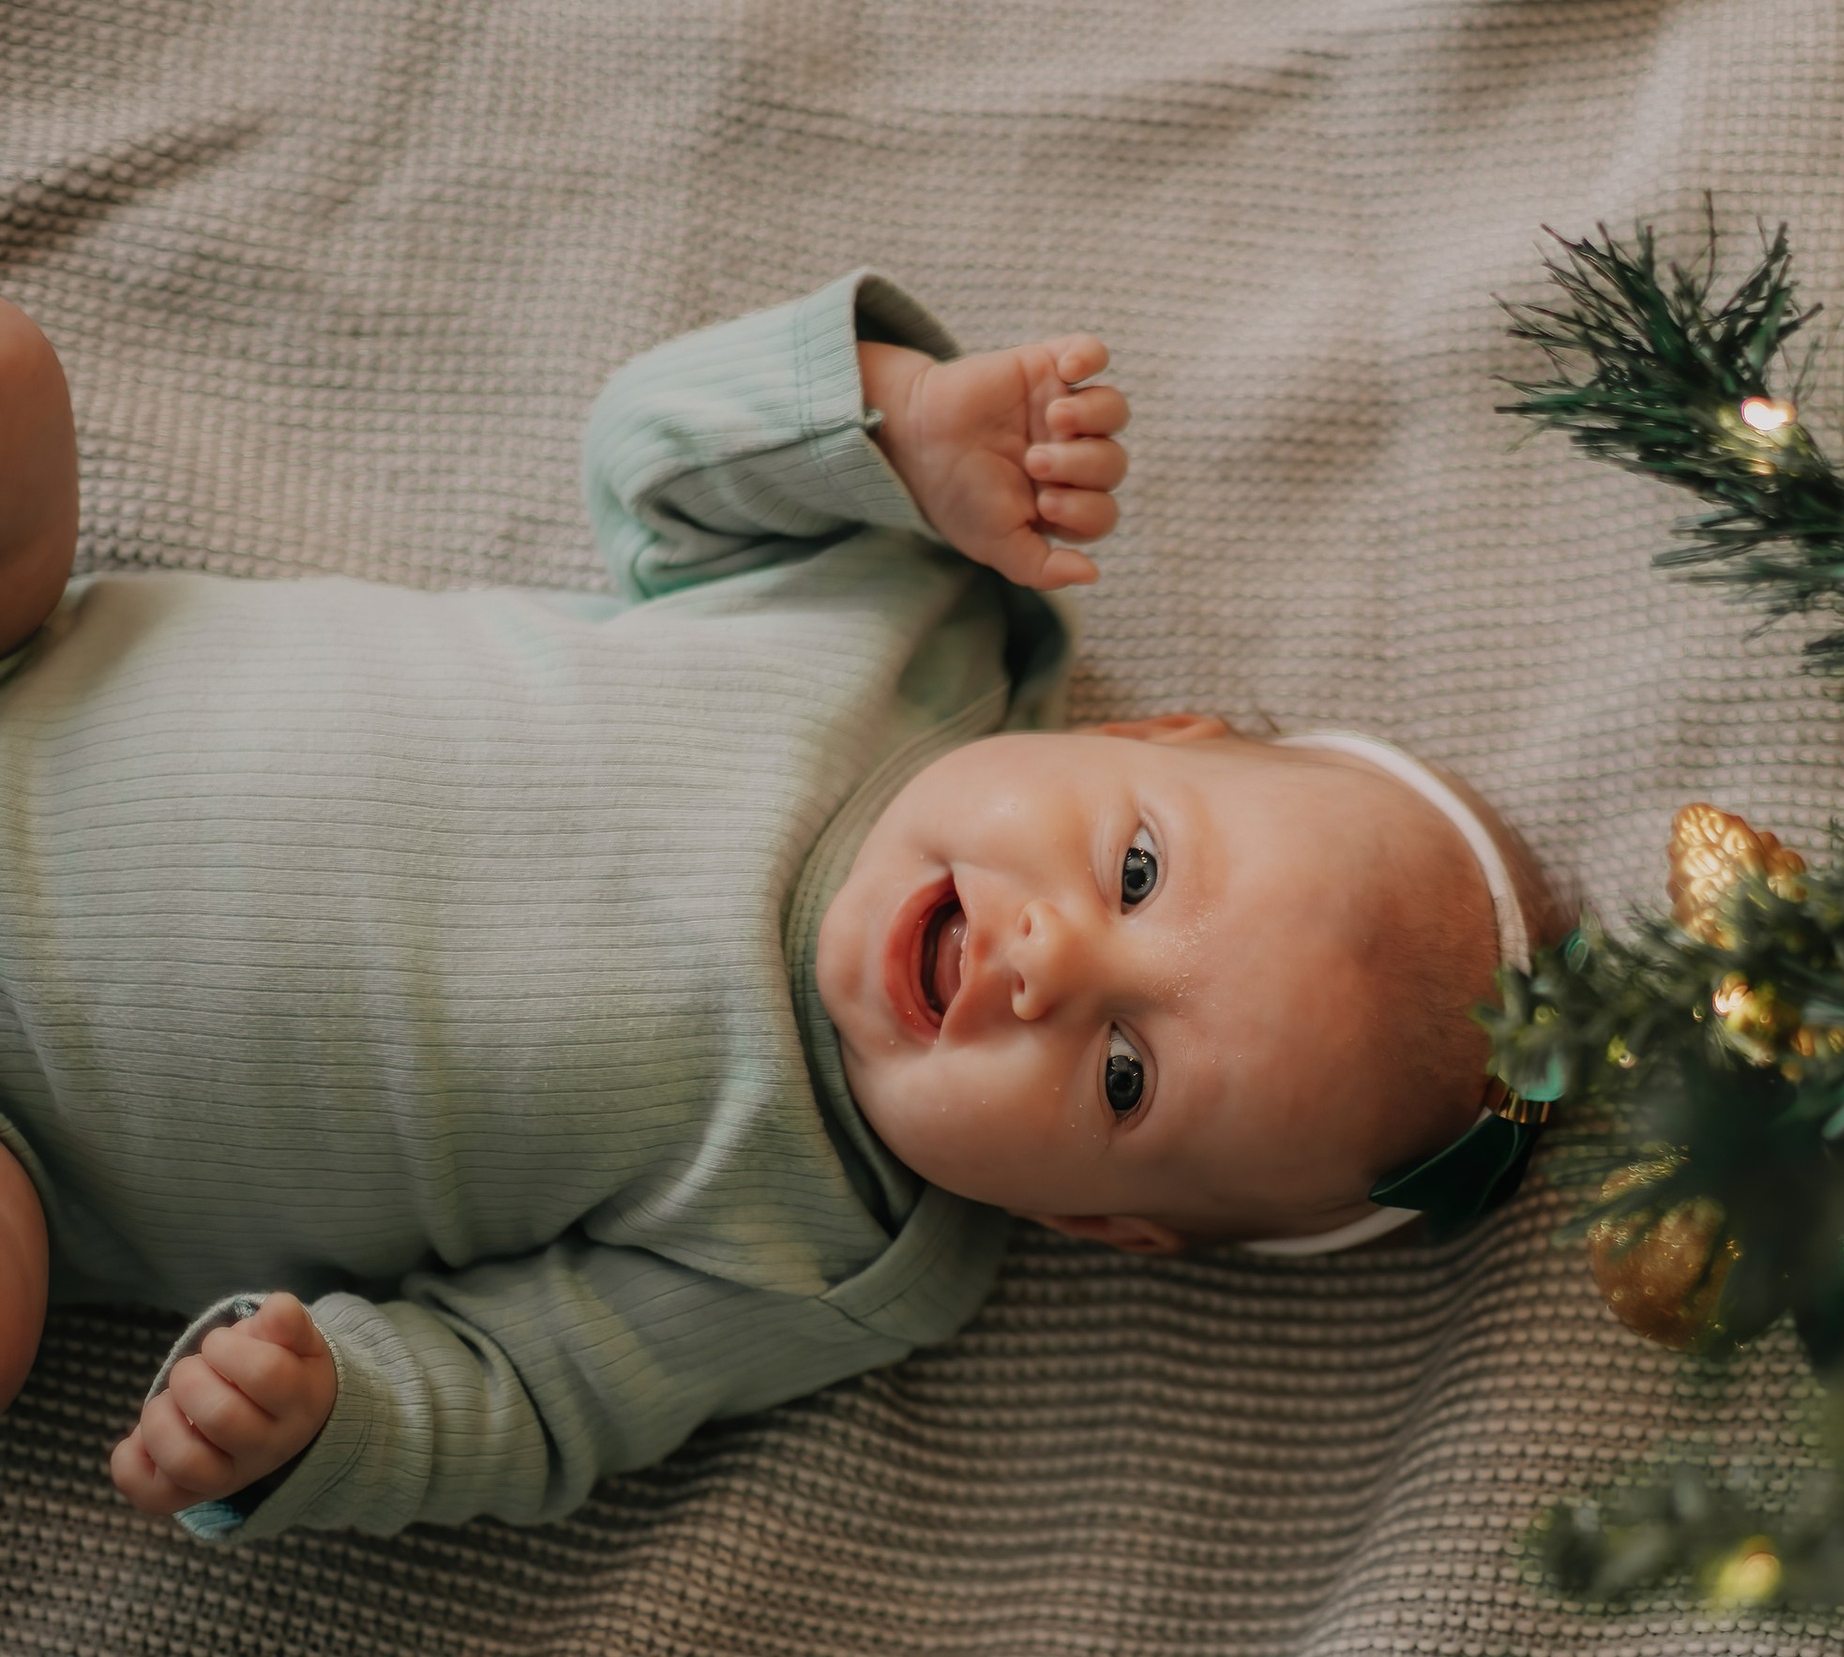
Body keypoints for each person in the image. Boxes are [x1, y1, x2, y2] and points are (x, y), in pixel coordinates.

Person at [0, 280, 1563, 1546]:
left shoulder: (826, 1250)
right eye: (1138, 873)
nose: (1052, 961)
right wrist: (901, 422)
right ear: (1152, 733)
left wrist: (332, 1412)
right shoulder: (908, 618)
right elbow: (650, 459)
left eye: (1125, 1075)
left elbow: (539, 1396)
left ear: (1090, 1220)